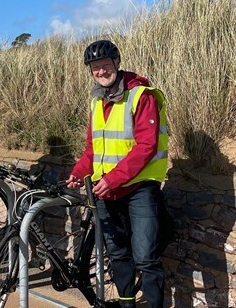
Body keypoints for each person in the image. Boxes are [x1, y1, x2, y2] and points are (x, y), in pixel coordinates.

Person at [66, 39, 171, 308]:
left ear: (117, 63)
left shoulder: (141, 95)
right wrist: (79, 172)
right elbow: (93, 149)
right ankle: (126, 305)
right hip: (106, 191)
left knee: (146, 258)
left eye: (105, 65)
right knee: (118, 255)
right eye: (95, 68)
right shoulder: (96, 101)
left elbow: (146, 146)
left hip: (139, 189)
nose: (101, 71)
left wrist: (112, 178)